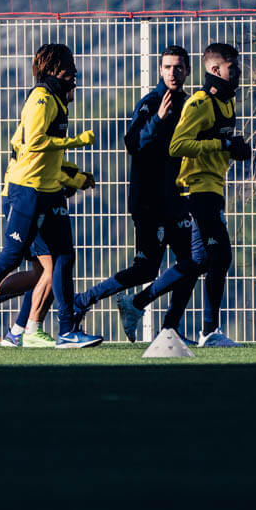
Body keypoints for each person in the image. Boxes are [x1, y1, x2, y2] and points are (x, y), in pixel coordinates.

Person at [0, 43, 103, 349]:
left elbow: (49, 157)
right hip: (26, 190)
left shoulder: (57, 99)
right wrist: (76, 142)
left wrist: (74, 176)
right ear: (54, 69)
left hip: (49, 190)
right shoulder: (41, 98)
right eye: (69, 68)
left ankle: (66, 330)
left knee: (63, 257)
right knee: (11, 257)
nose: (74, 74)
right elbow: (34, 143)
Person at [116, 43, 252, 347]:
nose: (238, 72)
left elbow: (213, 142)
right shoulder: (200, 103)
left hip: (213, 187)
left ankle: (140, 305)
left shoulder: (226, 103)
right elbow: (178, 145)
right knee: (218, 257)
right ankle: (208, 332)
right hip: (196, 190)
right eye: (233, 67)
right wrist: (223, 146)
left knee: (201, 260)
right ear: (215, 70)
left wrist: (234, 149)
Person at [70, 46, 198, 342]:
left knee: (191, 263)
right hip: (149, 202)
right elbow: (133, 143)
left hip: (178, 201)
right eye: (168, 67)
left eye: (178, 67)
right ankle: (84, 300)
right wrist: (158, 119)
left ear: (187, 71)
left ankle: (170, 330)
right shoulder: (151, 103)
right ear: (160, 70)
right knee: (145, 270)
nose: (173, 73)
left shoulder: (191, 104)